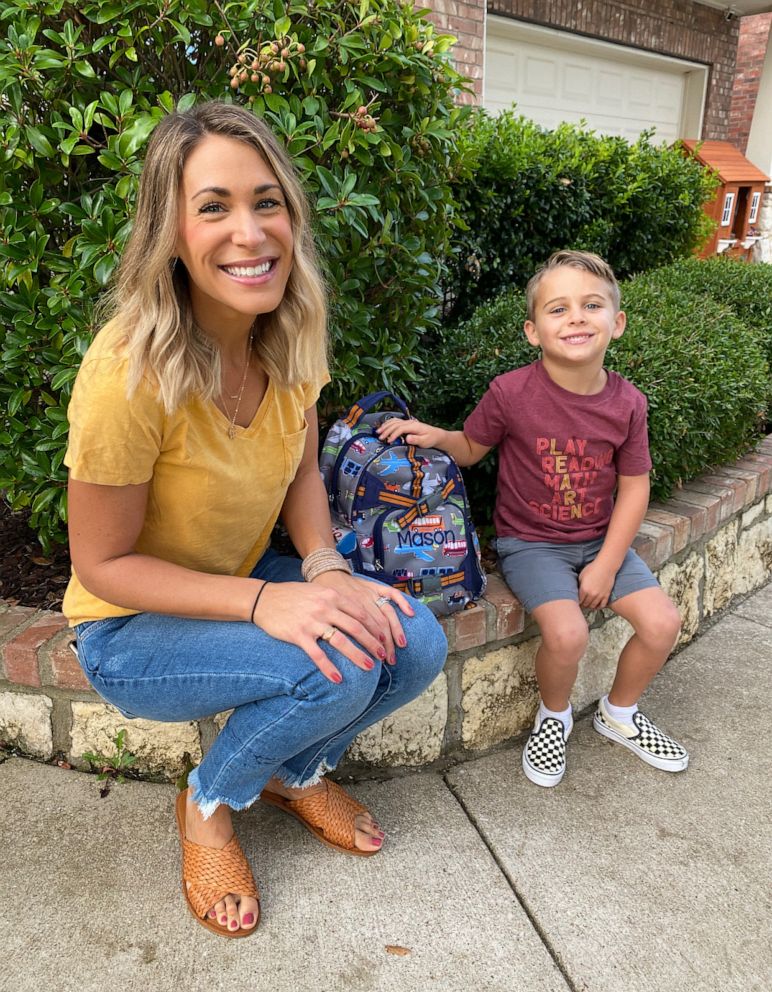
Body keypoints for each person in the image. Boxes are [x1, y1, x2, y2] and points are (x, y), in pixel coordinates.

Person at [63, 101, 447, 938]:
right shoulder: (127, 373)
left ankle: (290, 768)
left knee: (414, 642)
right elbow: (102, 565)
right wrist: (264, 604)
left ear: (292, 215)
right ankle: (209, 802)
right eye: (214, 206)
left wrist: (326, 569)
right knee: (337, 666)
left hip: (236, 586)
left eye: (266, 201)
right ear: (168, 232)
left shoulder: (288, 335)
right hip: (130, 625)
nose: (249, 231)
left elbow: (300, 473)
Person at [379, 250, 687, 789]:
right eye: (558, 308)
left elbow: (634, 488)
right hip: (531, 545)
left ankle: (619, 714)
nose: (575, 318)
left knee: (663, 623)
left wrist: (607, 564)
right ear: (533, 330)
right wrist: (432, 434)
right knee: (566, 634)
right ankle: (555, 716)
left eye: (591, 305)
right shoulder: (511, 392)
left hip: (599, 541)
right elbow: (472, 446)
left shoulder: (628, 403)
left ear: (616, 323)